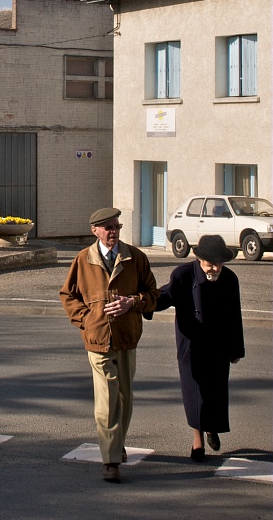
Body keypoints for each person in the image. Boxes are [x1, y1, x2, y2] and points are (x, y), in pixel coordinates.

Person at [60, 207, 160, 483]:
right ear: (95, 231)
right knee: (107, 400)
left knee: (125, 397)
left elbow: (154, 295)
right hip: (97, 340)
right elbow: (68, 295)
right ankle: (111, 460)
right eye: (107, 227)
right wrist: (87, 319)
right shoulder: (83, 260)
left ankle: (117, 445)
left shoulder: (135, 258)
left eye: (116, 226)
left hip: (127, 337)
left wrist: (133, 302)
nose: (113, 231)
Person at [155, 234, 244, 462]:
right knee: (195, 394)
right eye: (210, 263)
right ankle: (198, 441)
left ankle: (211, 428)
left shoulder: (230, 279)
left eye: (219, 263)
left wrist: (236, 350)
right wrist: (144, 301)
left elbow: (235, 316)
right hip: (191, 345)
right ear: (199, 259)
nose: (215, 268)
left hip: (219, 345)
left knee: (215, 391)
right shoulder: (183, 275)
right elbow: (166, 295)